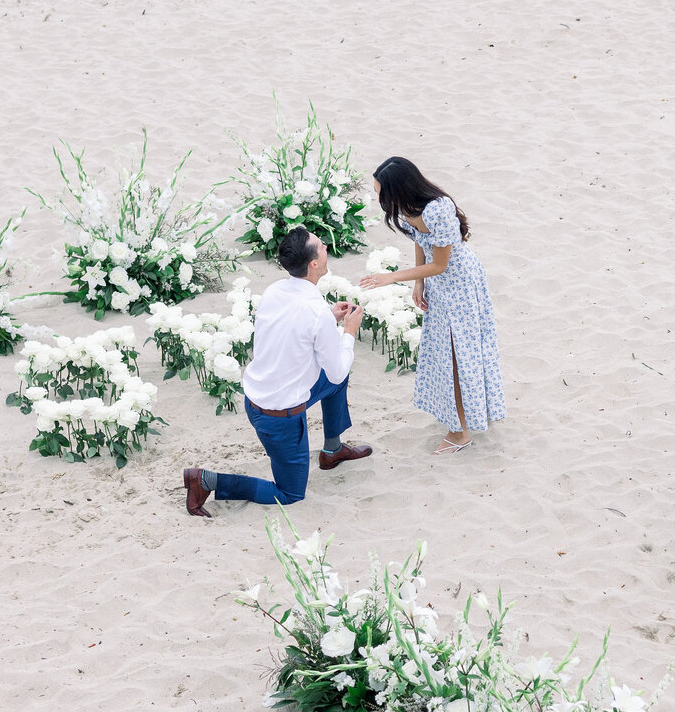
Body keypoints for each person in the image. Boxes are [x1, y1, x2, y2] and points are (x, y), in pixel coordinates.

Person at [182, 228, 372, 515]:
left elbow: (292, 332)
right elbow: (335, 370)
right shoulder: (314, 309)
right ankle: (207, 481)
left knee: (336, 378)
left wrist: (329, 318)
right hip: (279, 416)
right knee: (290, 493)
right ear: (314, 264)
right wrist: (348, 332)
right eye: (321, 247)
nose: (326, 249)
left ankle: (332, 450)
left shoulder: (275, 291)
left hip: (258, 397)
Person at [359, 157, 505, 455]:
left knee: (457, 354)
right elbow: (419, 240)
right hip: (438, 285)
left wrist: (393, 277)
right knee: (445, 354)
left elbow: (441, 264)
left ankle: (460, 432)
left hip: (461, 284)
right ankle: (463, 418)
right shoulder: (404, 209)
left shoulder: (438, 209)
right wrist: (417, 282)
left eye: (381, 193)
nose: (380, 200)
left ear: (399, 188)